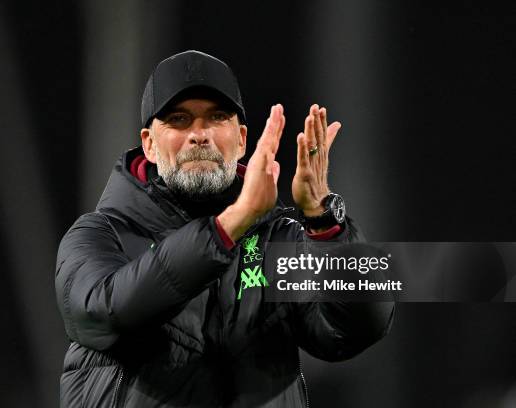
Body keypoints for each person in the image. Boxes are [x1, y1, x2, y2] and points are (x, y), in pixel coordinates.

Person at [55, 50, 394, 408]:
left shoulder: (276, 241)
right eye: (179, 119)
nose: (199, 134)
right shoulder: (100, 234)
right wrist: (232, 223)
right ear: (150, 144)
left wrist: (324, 222)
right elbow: (103, 313)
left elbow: (359, 328)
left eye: (217, 117)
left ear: (242, 139)